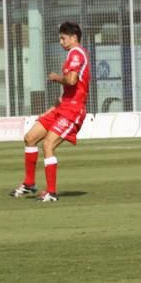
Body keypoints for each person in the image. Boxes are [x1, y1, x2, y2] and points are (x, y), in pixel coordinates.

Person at [12, 22, 90, 202]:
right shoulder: (72, 54)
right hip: (63, 107)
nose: (61, 41)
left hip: (73, 110)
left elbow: (71, 81)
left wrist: (56, 78)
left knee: (48, 145)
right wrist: (50, 110)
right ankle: (30, 183)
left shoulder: (76, 53)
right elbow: (68, 90)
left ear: (73, 38)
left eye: (63, 38)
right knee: (30, 137)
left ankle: (51, 193)